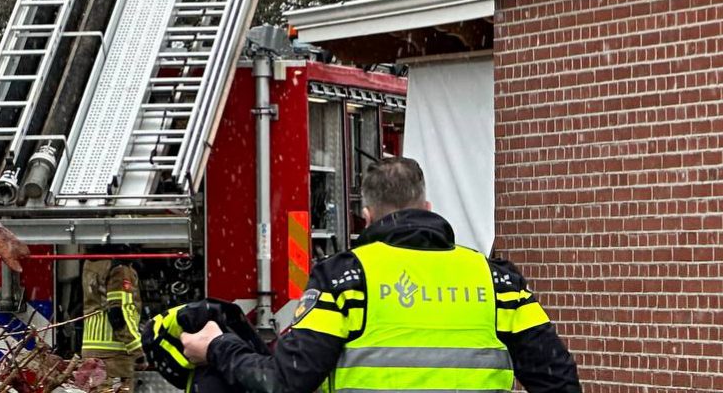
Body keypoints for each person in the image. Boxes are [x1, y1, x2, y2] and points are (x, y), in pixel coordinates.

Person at [179, 157, 582, 392]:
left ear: (366, 216)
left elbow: (283, 383)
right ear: (427, 204)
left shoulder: (345, 280)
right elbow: (560, 384)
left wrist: (217, 347)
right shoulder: (497, 282)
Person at [80, 259, 144, 393]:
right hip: (114, 355)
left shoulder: (91, 263)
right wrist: (138, 350)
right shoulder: (119, 269)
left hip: (91, 350)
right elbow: (118, 314)